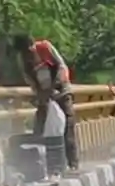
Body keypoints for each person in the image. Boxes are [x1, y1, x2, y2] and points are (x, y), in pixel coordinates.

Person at [14, 33, 80, 172]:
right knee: (40, 127)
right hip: (44, 96)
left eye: (30, 49)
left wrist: (54, 87)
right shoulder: (23, 60)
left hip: (61, 91)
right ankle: (43, 164)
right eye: (25, 52)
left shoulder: (45, 48)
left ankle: (73, 163)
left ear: (33, 45)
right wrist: (40, 95)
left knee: (67, 126)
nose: (29, 54)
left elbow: (61, 66)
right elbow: (29, 79)